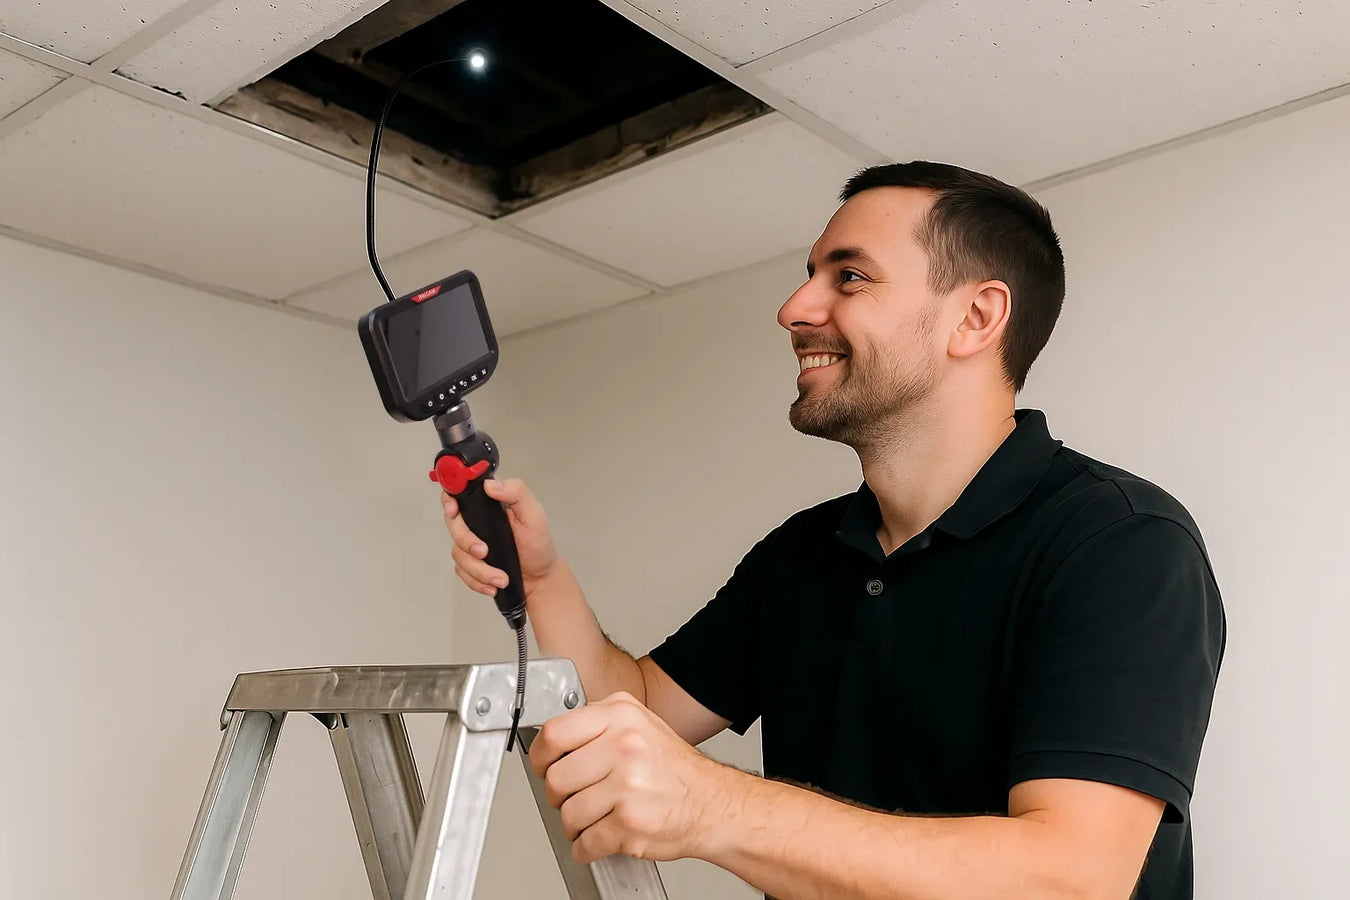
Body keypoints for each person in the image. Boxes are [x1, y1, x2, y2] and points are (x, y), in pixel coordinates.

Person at [442, 161, 1226, 900]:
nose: (794, 309)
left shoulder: (1122, 544)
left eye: (848, 277)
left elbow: (1070, 877)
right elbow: (638, 704)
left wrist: (716, 806)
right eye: (810, 275)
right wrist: (541, 578)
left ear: (976, 318)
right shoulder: (801, 555)